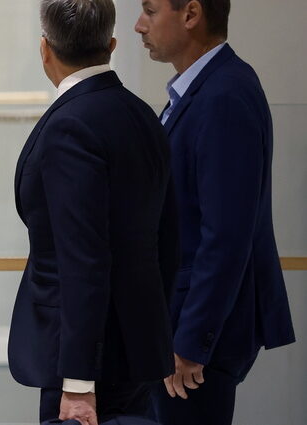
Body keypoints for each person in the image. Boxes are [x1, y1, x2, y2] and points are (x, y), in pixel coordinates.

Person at [8, 1, 180, 424]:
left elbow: (82, 259)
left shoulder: (70, 124)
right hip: (138, 350)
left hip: (85, 364)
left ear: (45, 49)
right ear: (111, 45)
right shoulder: (143, 115)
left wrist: (78, 382)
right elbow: (168, 237)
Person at [134, 1, 296, 423]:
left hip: (194, 337)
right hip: (179, 323)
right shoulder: (201, 90)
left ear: (191, 14)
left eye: (150, 11)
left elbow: (226, 234)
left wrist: (192, 340)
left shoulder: (224, 94)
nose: (138, 25)